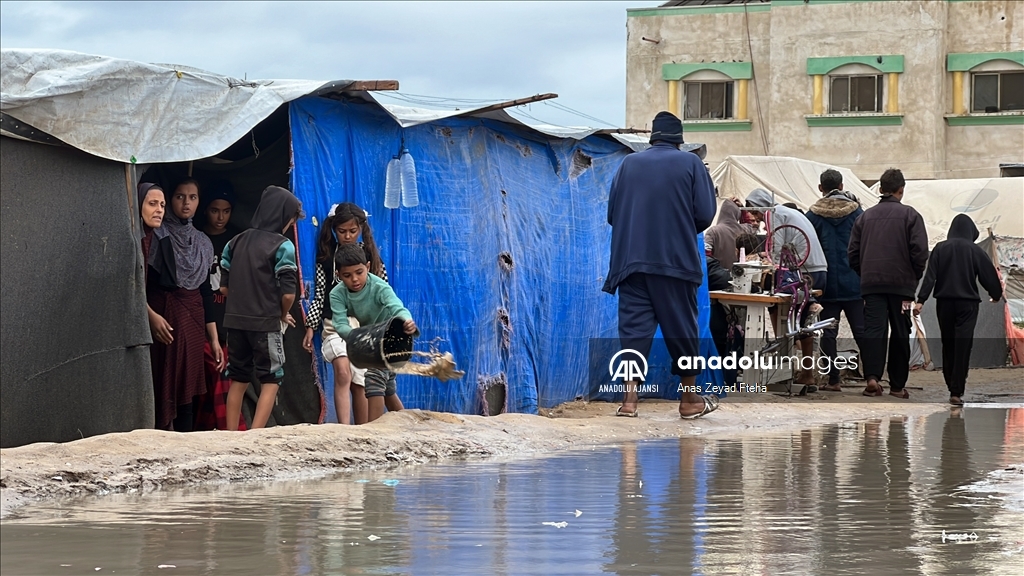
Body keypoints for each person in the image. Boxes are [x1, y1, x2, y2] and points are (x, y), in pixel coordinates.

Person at [603, 111, 718, 419]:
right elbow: (705, 214)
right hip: (675, 263)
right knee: (682, 330)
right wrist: (677, 226)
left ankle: (629, 402)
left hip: (631, 264)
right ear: (679, 140)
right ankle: (690, 400)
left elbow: (612, 214)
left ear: (652, 138)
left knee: (633, 332)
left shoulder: (628, 164)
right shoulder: (692, 164)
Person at [303, 202, 404, 424]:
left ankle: (363, 430)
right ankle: (344, 429)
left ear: (361, 230)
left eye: (352, 231)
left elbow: (385, 296)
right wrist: (311, 325)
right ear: (333, 229)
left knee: (362, 382)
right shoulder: (327, 258)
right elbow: (320, 294)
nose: (347, 236)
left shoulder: (371, 258)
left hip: (366, 329)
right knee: (342, 372)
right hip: (334, 325)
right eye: (342, 231)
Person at [221, 185, 304, 430]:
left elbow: (224, 288)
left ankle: (230, 434)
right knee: (271, 378)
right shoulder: (282, 246)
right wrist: (281, 313)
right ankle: (256, 435)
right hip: (265, 323)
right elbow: (288, 294)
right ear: (284, 218)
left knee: (238, 377)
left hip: (234, 322)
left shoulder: (235, 241)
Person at [144, 179, 222, 431]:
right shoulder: (154, 235)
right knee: (162, 383)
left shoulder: (202, 242)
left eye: (193, 197)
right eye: (179, 197)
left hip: (193, 322)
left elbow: (204, 290)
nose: (186, 203)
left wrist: (214, 339)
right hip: (162, 319)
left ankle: (184, 445)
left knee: (187, 390)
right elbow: (140, 284)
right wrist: (151, 316)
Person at [848, 168, 928, 399]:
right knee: (901, 331)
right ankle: (896, 385)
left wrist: (865, 273)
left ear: (880, 190)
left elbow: (852, 253)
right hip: (902, 287)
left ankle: (872, 378)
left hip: (872, 285)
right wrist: (913, 276)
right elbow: (920, 252)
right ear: (901, 190)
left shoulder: (864, 218)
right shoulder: (911, 216)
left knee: (874, 330)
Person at [744, 188, 828, 388]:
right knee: (797, 320)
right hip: (815, 269)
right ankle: (793, 370)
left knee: (799, 321)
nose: (758, 219)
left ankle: (805, 374)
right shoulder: (787, 212)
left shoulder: (774, 214)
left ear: (759, 208)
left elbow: (776, 250)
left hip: (807, 271)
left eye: (755, 213)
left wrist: (762, 262)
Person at [915, 214, 1002, 405]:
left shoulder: (940, 248)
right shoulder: (975, 250)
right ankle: (957, 390)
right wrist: (995, 294)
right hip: (967, 305)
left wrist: (921, 300)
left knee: (948, 343)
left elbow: (930, 276)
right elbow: (989, 275)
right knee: (963, 345)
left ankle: (950, 385)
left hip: (944, 304)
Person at [329, 243, 419, 423]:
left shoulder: (379, 287)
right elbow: (339, 323)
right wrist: (359, 338)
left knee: (374, 379)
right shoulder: (337, 294)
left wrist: (406, 322)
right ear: (338, 275)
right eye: (347, 275)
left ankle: (374, 430)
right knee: (388, 389)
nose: (354, 279)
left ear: (368, 267)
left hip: (394, 337)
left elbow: (397, 307)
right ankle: (410, 426)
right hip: (369, 339)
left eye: (359, 272)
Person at [805, 168, 866, 392]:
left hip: (826, 285)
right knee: (861, 331)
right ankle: (871, 378)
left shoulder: (812, 216)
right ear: (841, 186)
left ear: (821, 188)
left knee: (828, 332)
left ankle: (833, 380)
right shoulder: (858, 213)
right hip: (855, 283)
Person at [195, 181, 245, 431]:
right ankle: (218, 427)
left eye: (226, 211)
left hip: (229, 319)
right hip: (203, 315)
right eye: (215, 210)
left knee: (224, 371)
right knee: (211, 373)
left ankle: (224, 427)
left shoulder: (236, 241)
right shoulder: (196, 239)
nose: (220, 217)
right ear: (205, 210)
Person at [704, 198, 753, 269]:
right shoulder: (745, 229)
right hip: (741, 274)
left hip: (719, 276)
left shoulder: (713, 231)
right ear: (737, 214)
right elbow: (749, 223)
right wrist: (742, 209)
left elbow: (706, 254)